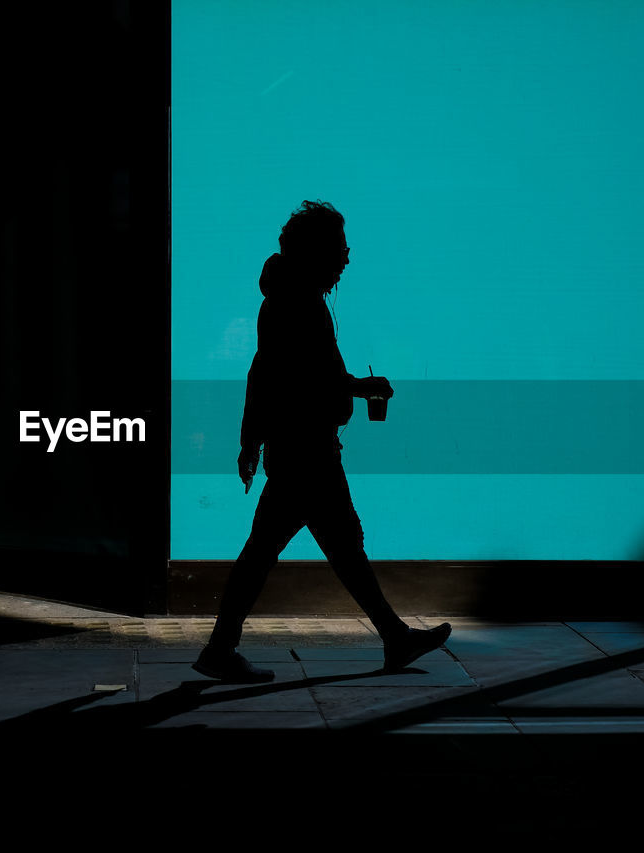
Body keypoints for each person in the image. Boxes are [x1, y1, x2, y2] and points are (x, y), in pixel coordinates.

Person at [192, 200, 451, 683]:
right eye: (340, 247)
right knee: (308, 548)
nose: (347, 257)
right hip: (306, 449)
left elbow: (268, 374)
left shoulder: (287, 298)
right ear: (319, 251)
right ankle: (222, 648)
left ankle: (391, 636)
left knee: (318, 547)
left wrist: (252, 441)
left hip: (297, 448)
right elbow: (298, 379)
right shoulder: (300, 303)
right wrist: (357, 388)